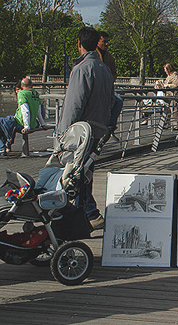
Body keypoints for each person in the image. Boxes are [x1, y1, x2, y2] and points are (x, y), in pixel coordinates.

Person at [57, 27, 114, 229]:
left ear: (79, 44)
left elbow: (74, 105)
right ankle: (87, 214)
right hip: (98, 130)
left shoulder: (82, 69)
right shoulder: (104, 69)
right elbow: (114, 100)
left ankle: (88, 214)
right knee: (85, 175)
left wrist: (62, 136)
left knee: (76, 176)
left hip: (82, 133)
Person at [0, 78, 48, 155]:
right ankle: (5, 146)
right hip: (33, 123)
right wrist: (43, 124)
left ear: (22, 86)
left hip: (21, 123)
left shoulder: (22, 93)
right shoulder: (35, 93)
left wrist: (27, 126)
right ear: (31, 85)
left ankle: (3, 147)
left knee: (4, 123)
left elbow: (25, 110)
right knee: (6, 124)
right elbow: (39, 111)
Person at [97, 31, 123, 139]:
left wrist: (108, 81)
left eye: (108, 42)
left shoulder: (109, 57)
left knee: (118, 100)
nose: (107, 44)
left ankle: (110, 126)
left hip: (107, 87)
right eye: (104, 41)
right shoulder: (92, 54)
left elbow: (114, 73)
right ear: (97, 41)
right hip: (96, 87)